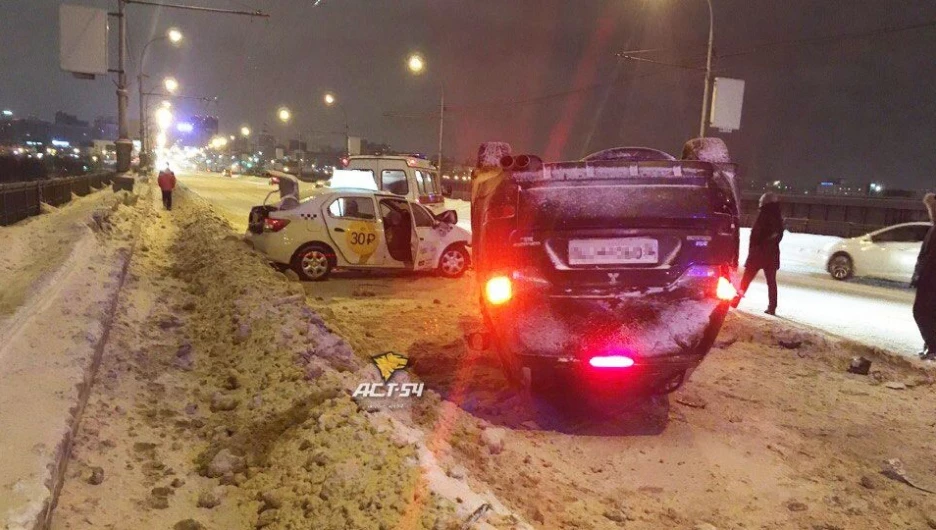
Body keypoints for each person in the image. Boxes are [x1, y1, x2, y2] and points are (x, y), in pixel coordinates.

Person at [732, 192, 784, 315]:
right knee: (771, 282)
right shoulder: (778, 217)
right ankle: (772, 307)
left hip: (758, 254)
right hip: (772, 255)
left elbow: (757, 234)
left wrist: (756, 246)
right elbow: (778, 236)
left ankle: (735, 301)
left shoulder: (764, 214)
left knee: (746, 279)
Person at [911, 192, 936, 360]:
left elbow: (929, 259)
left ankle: (933, 348)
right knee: (926, 312)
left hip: (931, 281)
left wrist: (921, 277)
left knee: (921, 311)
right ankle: (931, 347)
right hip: (927, 279)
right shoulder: (933, 229)